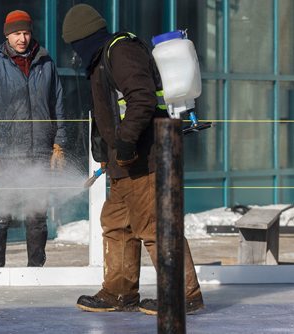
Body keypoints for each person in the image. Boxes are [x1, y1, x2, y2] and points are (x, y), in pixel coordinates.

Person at [61, 4, 204, 314]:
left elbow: (141, 97)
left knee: (154, 226)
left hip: (147, 156)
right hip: (124, 163)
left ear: (83, 39)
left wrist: (125, 142)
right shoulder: (100, 61)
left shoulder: (120, 51)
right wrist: (105, 156)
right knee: (117, 224)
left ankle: (183, 294)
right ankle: (119, 291)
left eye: (74, 46)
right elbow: (106, 114)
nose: (75, 54)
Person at [0, 10, 66, 267]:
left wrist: (59, 144)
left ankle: (36, 271)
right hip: (7, 154)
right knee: (0, 215)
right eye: (16, 34)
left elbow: (58, 108)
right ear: (7, 36)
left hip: (40, 154)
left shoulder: (46, 65)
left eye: (25, 32)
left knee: (37, 217)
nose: (22, 38)